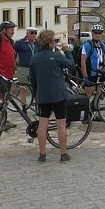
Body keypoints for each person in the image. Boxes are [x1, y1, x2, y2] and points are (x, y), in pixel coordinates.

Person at [29, 29, 77, 162]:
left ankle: (42, 154)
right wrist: (67, 51)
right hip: (58, 95)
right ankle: (63, 154)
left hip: (43, 96)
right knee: (61, 125)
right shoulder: (57, 56)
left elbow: (32, 80)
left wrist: (36, 93)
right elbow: (71, 65)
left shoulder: (35, 58)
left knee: (42, 126)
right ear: (50, 43)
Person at [80, 24, 105, 109]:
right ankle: (85, 112)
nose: (97, 34)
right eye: (95, 32)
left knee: (99, 93)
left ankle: (95, 108)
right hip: (90, 73)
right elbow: (83, 61)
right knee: (88, 95)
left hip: (100, 73)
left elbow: (104, 59)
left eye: (99, 33)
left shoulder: (103, 45)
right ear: (92, 33)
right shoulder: (88, 45)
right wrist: (85, 75)